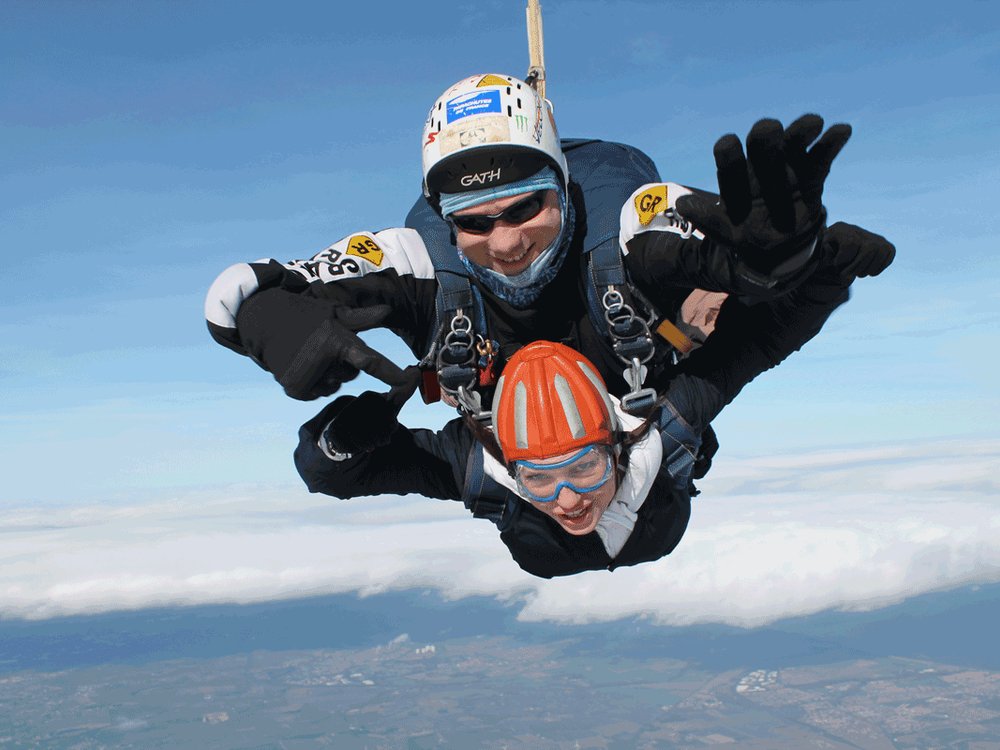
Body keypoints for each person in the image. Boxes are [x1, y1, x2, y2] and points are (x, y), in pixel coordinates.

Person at [204, 73, 894, 468]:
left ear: (563, 186)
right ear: (446, 219)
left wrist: (774, 260)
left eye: (525, 208)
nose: (504, 243)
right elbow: (244, 286)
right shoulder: (419, 261)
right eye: (473, 222)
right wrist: (266, 317)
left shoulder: (624, 223)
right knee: (322, 470)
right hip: (526, 455)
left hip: (628, 428)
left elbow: (689, 233)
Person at [294, 340, 722, 578]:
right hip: (655, 529)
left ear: (616, 443)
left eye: (585, 467)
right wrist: (340, 441)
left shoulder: (666, 422)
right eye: (537, 477)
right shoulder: (474, 459)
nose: (569, 502)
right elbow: (337, 477)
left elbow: (766, 332)